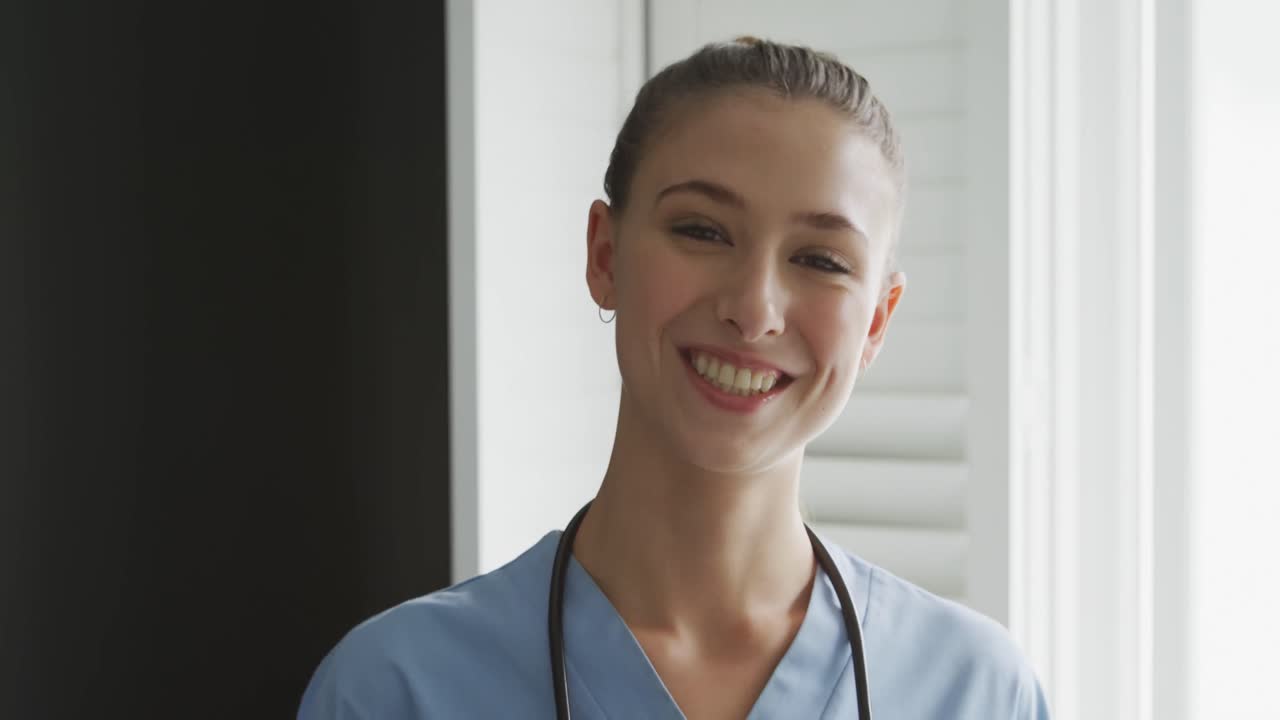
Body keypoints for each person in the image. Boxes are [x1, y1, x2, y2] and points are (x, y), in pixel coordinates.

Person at [297, 36, 1050, 719]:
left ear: (878, 322)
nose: (754, 310)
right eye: (701, 230)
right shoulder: (395, 689)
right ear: (604, 255)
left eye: (820, 260)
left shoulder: (979, 692)